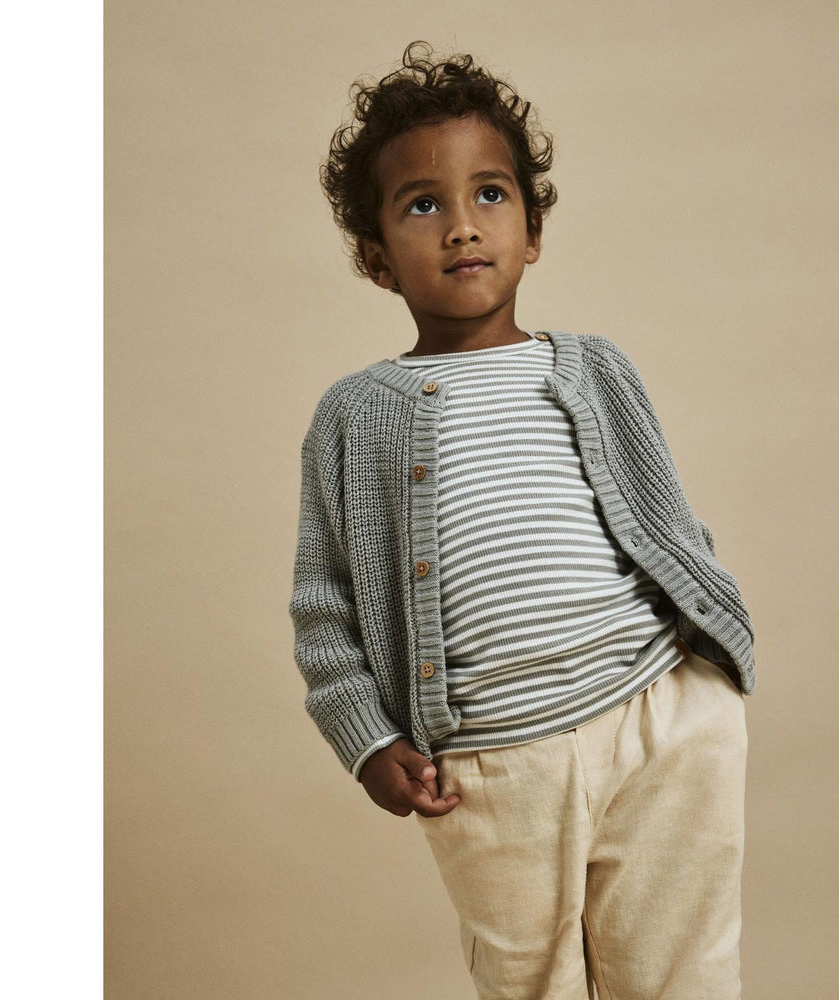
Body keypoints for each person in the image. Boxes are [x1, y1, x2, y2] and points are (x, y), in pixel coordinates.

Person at [289, 39, 756, 1000]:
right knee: (527, 981)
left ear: (532, 231)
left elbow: (668, 523)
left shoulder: (593, 367)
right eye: (423, 205)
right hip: (492, 763)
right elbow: (323, 604)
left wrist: (709, 666)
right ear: (377, 258)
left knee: (681, 973)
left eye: (490, 194)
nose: (463, 226)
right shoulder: (356, 414)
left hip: (657, 718)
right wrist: (365, 738)